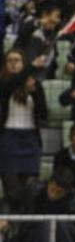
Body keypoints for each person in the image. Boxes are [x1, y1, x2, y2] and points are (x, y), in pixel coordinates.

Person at [0, 48, 46, 205]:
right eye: (10, 60)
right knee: (10, 183)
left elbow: (44, 114)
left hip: (30, 139)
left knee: (31, 188)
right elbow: (12, 84)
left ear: (23, 63)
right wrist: (32, 67)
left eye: (17, 60)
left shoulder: (35, 85)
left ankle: (27, 227)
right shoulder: (3, 83)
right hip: (9, 138)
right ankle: (9, 225)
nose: (13, 64)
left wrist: (34, 93)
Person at [11, 166, 75, 242]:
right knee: (45, 224)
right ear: (49, 183)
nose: (53, 195)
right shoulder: (33, 189)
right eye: (52, 190)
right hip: (32, 236)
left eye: (59, 193)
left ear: (67, 192)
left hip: (63, 239)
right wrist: (5, 218)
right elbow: (9, 200)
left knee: (57, 223)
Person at [13, 0, 62, 80]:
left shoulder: (53, 34)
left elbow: (53, 57)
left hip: (45, 76)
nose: (58, 20)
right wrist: (41, 21)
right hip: (25, 75)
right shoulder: (31, 27)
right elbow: (25, 31)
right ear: (45, 14)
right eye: (57, 16)